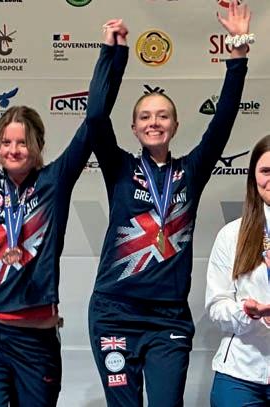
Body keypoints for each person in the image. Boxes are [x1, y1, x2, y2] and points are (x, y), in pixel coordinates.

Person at [0, 22, 129, 406]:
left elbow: (95, 119)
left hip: (36, 340)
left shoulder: (55, 180)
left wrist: (112, 54)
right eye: (5, 141)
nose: (13, 149)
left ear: (37, 145)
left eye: (22, 142)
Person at [88, 3, 250, 406]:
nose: (154, 122)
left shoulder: (190, 172)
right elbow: (95, 118)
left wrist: (237, 55)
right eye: (145, 117)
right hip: (114, 312)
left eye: (162, 116)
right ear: (134, 127)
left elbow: (223, 122)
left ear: (175, 126)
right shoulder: (121, 169)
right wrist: (112, 55)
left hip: (168, 319)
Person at [206, 134, 270, 407]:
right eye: (266, 171)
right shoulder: (232, 235)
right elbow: (216, 306)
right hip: (241, 375)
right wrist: (248, 312)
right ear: (253, 178)